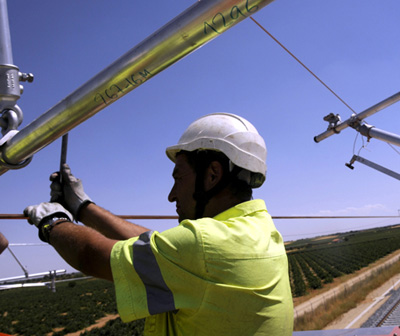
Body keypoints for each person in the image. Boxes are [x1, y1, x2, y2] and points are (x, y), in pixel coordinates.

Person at [24, 113, 293, 335]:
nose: (172, 195)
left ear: (212, 175)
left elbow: (91, 256)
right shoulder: (260, 230)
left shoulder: (202, 246)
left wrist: (52, 221)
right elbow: (157, 246)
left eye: (179, 177)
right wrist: (83, 208)